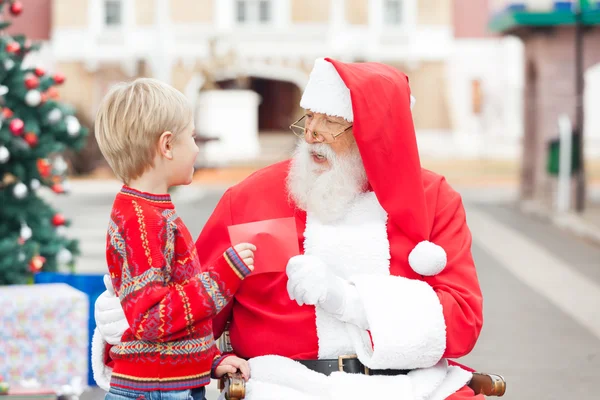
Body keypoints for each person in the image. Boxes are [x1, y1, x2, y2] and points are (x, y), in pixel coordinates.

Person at [94, 59, 484, 400]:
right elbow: (194, 308)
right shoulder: (250, 198)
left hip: (413, 387)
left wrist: (349, 301)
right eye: (308, 117)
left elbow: (462, 324)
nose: (311, 133)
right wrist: (130, 324)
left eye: (329, 122)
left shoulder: (434, 200)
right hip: (284, 388)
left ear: (374, 133)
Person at [93, 78, 255, 400]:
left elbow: (171, 324)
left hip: (170, 384)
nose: (197, 148)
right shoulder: (143, 221)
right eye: (192, 137)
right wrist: (223, 276)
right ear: (167, 146)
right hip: (157, 392)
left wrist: (210, 360)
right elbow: (152, 319)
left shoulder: (149, 212)